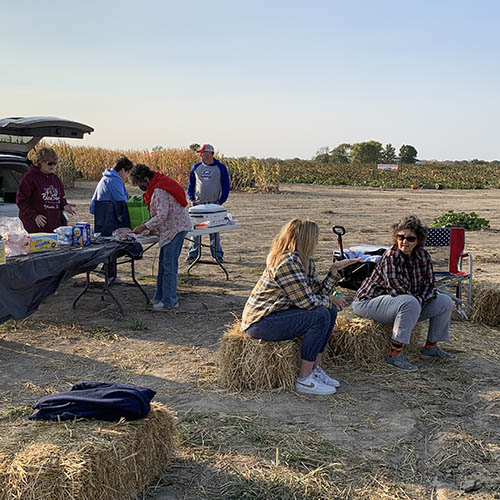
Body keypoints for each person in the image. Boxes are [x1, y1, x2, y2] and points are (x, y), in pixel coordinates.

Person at [241, 218, 361, 395]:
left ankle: (314, 369)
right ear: (305, 239)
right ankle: (304, 379)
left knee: (329, 310)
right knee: (320, 314)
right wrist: (329, 300)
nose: (317, 242)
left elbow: (316, 293)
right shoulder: (287, 262)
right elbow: (307, 302)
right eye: (315, 238)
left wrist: (334, 272)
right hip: (261, 322)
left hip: (280, 313)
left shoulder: (306, 260)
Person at [352, 215, 456, 372]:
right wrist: (417, 303)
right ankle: (395, 354)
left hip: (405, 304)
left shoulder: (423, 256)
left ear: (418, 240)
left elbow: (429, 286)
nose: (404, 241)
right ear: (396, 237)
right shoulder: (390, 257)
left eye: (410, 238)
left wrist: (418, 302)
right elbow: (397, 290)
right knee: (409, 302)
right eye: (400, 237)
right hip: (368, 303)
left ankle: (430, 347)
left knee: (444, 301)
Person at [130, 164, 192, 311]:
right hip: (171, 228)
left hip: (175, 228)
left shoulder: (159, 190)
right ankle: (159, 296)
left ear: (146, 179)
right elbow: (161, 214)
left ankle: (170, 301)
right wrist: (150, 229)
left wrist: (144, 227)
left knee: (169, 267)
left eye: (140, 184)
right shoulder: (158, 184)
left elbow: (162, 215)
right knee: (163, 265)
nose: (141, 187)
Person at [186, 144, 230, 263]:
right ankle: (192, 255)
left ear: (210, 153)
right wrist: (191, 198)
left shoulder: (220, 168)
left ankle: (217, 255)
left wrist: (221, 201)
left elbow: (226, 185)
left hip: (213, 205)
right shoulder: (196, 167)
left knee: (214, 231)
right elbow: (191, 184)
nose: (200, 155)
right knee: (195, 231)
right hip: (198, 204)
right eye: (200, 153)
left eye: (203, 152)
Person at [16, 147, 75, 233]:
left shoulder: (55, 179)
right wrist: (35, 216)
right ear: (40, 162)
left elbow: (60, 197)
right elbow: (21, 201)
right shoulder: (29, 178)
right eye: (50, 163)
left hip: (53, 228)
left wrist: (64, 205)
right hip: (34, 228)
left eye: (55, 164)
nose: (53, 166)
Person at [90, 156, 134, 235]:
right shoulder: (113, 180)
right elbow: (122, 201)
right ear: (123, 170)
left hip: (103, 214)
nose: (127, 176)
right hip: (106, 216)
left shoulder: (108, 178)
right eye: (127, 172)